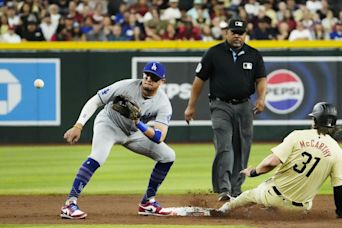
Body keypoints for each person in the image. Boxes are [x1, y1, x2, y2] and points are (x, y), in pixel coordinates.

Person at [60, 62, 175, 219]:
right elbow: (96, 100)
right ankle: (69, 204)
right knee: (97, 157)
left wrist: (139, 124)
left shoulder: (163, 104)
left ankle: (147, 202)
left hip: (134, 133)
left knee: (168, 156)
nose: (149, 79)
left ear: (162, 81)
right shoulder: (125, 86)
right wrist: (78, 125)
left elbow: (159, 137)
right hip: (109, 124)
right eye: (147, 75)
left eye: (154, 78)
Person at [212, 102, 342, 219]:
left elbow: (272, 162)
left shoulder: (297, 136)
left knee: (252, 194)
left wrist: (254, 172)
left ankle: (225, 209)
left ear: (315, 120)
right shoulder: (337, 151)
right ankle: (271, 212)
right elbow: (339, 188)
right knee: (297, 202)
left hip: (273, 196)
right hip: (300, 210)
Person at [184, 18, 267, 202]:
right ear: (226, 33)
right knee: (224, 145)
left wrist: (261, 98)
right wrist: (191, 105)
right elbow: (199, 80)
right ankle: (224, 188)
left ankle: (236, 189)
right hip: (220, 105)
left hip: (245, 105)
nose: (237, 36)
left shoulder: (254, 54)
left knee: (242, 148)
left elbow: (261, 79)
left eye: (241, 32)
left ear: (246, 34)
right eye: (234, 32)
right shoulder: (214, 53)